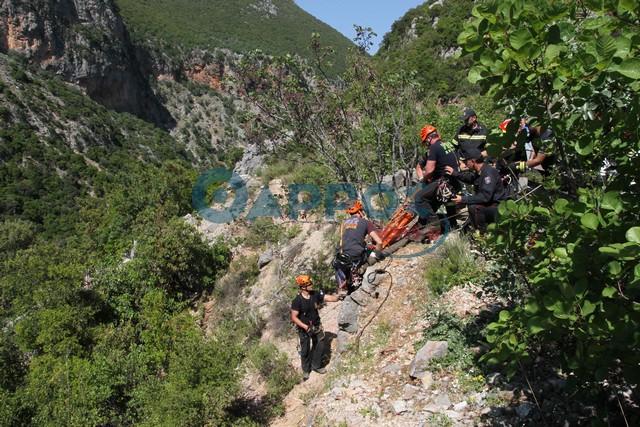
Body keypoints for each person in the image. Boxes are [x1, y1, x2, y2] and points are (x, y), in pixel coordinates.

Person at [290, 275, 339, 380]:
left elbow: (327, 297)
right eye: (309, 284)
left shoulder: (315, 294)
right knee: (305, 350)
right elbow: (294, 317)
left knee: (320, 345)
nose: (311, 285)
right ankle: (306, 370)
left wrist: (338, 297)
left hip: (316, 325)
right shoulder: (297, 301)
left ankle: (316, 365)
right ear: (303, 287)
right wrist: (305, 327)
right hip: (304, 329)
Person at [448, 148, 510, 232]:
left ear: (473, 161)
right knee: (472, 206)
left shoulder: (488, 173)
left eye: (466, 161)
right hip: (490, 204)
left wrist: (463, 199)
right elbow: (470, 178)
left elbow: (485, 197)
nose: (465, 163)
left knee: (474, 207)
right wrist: (455, 173)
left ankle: (482, 234)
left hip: (498, 207)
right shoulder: (480, 171)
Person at [413, 125, 460, 228]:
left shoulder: (434, 147)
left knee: (419, 198)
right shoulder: (448, 145)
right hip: (454, 182)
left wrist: (423, 179)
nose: (426, 144)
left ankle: (435, 226)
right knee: (435, 203)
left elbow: (430, 170)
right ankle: (452, 225)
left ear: (429, 138)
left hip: (443, 183)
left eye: (426, 141)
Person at [333, 200, 383, 296]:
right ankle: (361, 269)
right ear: (360, 211)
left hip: (343, 256)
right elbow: (379, 242)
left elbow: (342, 243)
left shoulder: (343, 223)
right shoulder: (365, 222)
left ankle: (344, 284)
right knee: (372, 253)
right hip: (356, 255)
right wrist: (377, 253)